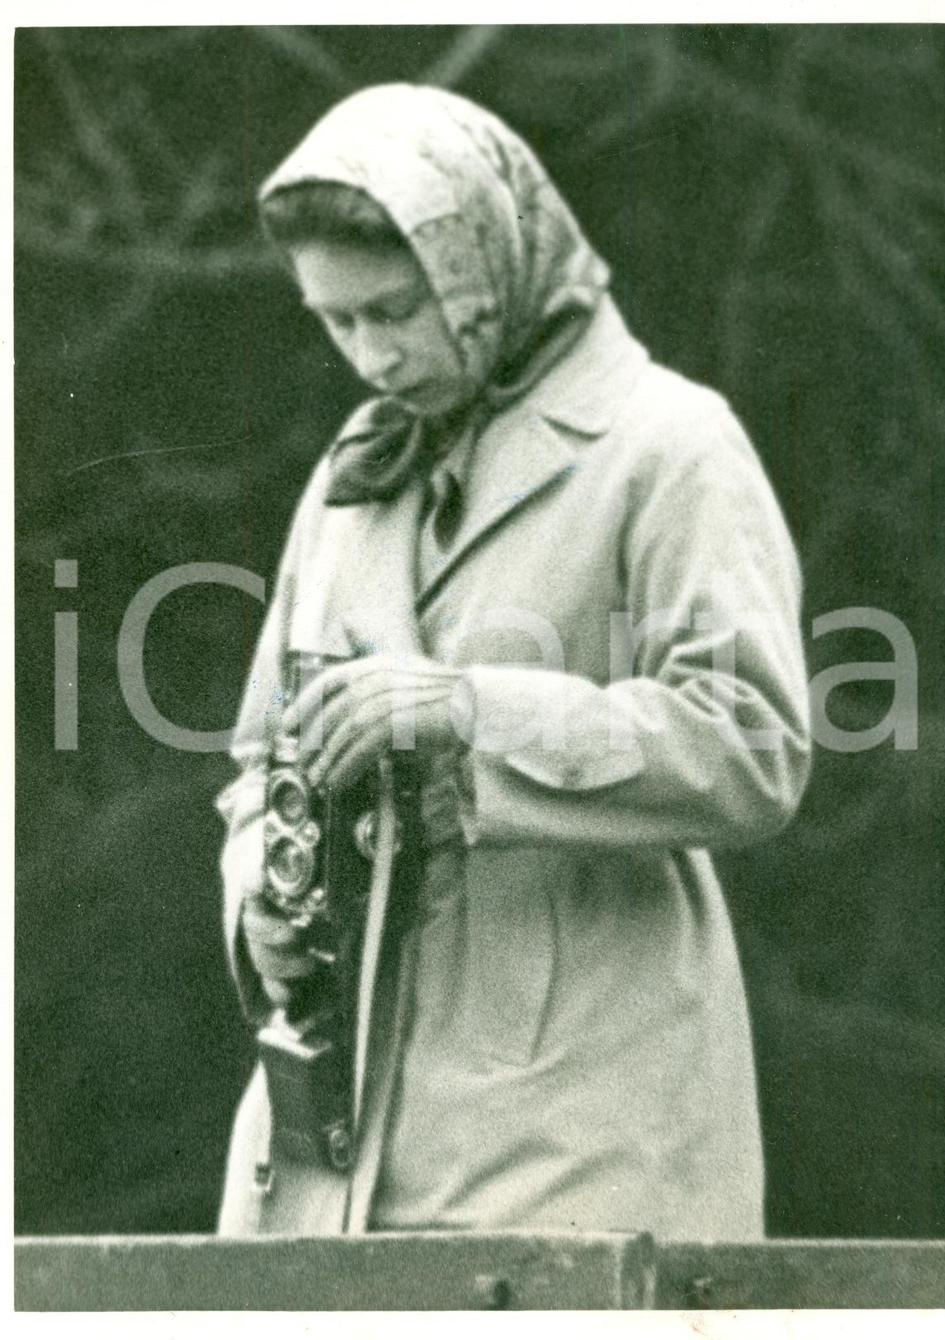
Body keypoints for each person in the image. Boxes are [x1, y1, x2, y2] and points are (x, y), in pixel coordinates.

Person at [215, 83, 811, 1240]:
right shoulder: (355, 471)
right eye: (335, 322)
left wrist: (468, 710)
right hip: (317, 1158)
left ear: (480, 268)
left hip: (578, 1134)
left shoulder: (668, 444)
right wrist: (258, 903)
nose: (370, 355)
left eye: (395, 310)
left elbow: (753, 743)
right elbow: (257, 753)